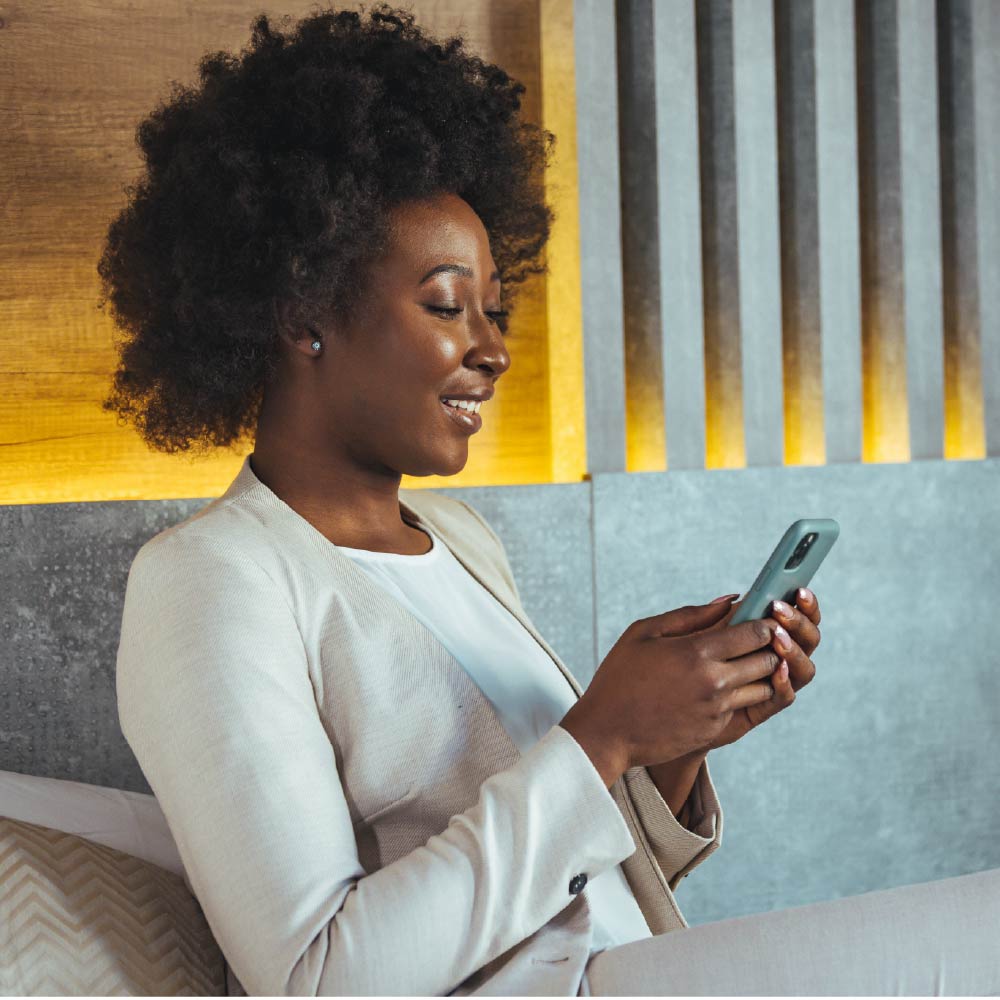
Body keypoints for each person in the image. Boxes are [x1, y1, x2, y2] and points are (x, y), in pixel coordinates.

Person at [103, 4, 1000, 995]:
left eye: (495, 306)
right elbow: (317, 978)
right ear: (302, 313)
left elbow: (578, 862)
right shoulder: (208, 582)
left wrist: (673, 745)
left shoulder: (455, 536)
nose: (490, 349)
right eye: (446, 305)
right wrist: (604, 731)